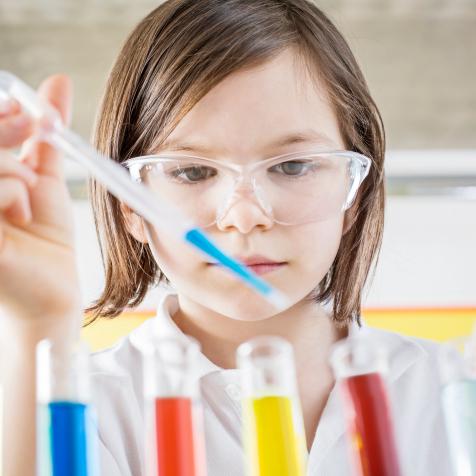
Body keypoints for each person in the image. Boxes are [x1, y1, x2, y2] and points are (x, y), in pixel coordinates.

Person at [0, 1, 452, 475]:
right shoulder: (76, 410)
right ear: (127, 202)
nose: (244, 216)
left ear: (354, 189)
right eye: (193, 171)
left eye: (292, 166)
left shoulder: (446, 390)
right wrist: (39, 325)